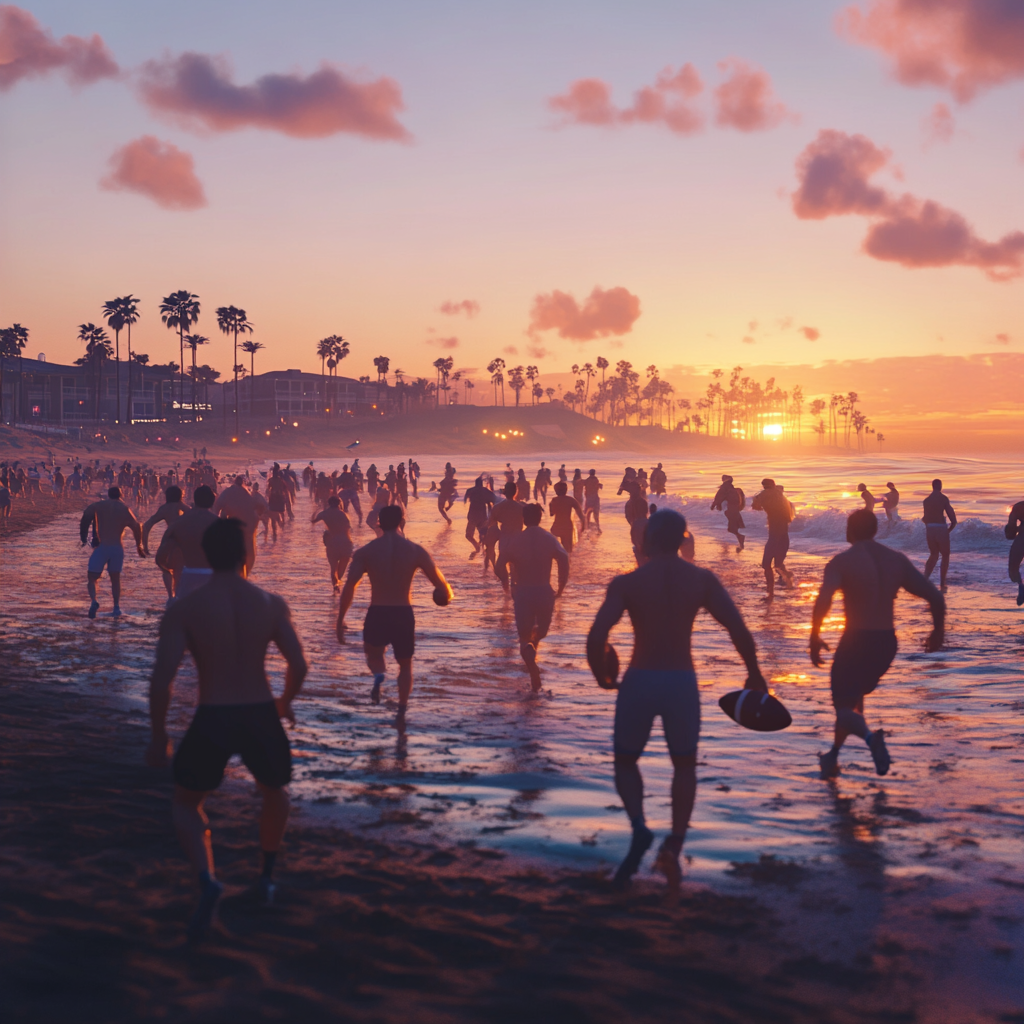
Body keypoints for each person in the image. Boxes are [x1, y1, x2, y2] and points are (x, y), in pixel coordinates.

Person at [587, 510, 768, 893]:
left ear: (648, 539)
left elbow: (597, 634)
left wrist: (603, 676)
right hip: (681, 682)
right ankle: (675, 844)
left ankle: (638, 826)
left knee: (625, 761)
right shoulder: (701, 580)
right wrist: (753, 672)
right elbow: (737, 627)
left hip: (639, 679)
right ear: (684, 538)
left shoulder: (627, 583)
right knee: (683, 766)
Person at [146, 518, 308, 940]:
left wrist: (159, 734)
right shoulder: (271, 603)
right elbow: (299, 664)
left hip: (213, 714)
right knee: (275, 793)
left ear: (206, 554)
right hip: (259, 712)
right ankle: (267, 877)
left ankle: (208, 879)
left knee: (185, 803)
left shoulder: (185, 609)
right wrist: (285, 703)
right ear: (243, 555)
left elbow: (162, 679)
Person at [811, 508, 945, 780]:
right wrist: (938, 631)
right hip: (886, 644)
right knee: (853, 701)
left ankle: (872, 740)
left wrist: (814, 634)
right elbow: (934, 596)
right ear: (876, 530)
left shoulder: (841, 562)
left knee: (844, 707)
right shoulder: (896, 560)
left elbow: (824, 599)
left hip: (856, 641)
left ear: (849, 531)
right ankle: (833, 756)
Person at [336, 504, 452, 715]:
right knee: (405, 665)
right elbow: (441, 587)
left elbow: (349, 586)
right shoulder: (416, 551)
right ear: (402, 522)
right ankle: (402, 708)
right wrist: (444, 596)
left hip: (377, 612)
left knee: (374, 656)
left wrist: (340, 620)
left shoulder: (366, 552)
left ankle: (379, 676)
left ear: (379, 522)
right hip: (403, 613)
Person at [497, 503, 569, 692]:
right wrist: (561, 585)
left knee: (523, 636)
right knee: (541, 632)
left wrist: (509, 583)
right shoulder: (549, 538)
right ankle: (533, 648)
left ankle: (532, 665)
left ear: (524, 519)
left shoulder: (517, 540)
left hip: (523, 592)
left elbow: (499, 564)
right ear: (539, 518)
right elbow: (564, 559)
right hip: (544, 591)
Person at [79, 487, 146, 618]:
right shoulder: (124, 509)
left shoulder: (98, 505)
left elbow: (86, 517)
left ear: (108, 495)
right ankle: (116, 608)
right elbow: (137, 527)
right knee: (115, 579)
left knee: (92, 578)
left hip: (101, 548)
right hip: (117, 548)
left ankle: (93, 601)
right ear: (120, 495)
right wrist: (139, 545)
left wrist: (84, 536)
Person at [154, 485, 219, 600]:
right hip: (213, 577)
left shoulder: (179, 523)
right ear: (212, 501)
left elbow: (160, 556)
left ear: (195, 500)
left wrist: (166, 568)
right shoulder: (219, 524)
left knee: (187, 614)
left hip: (189, 576)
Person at [143, 485, 189, 600]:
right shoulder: (184, 507)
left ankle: (170, 596)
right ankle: (177, 596)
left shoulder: (165, 508)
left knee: (165, 568)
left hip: (169, 541)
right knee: (178, 570)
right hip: (183, 543)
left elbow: (147, 525)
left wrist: (145, 545)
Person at [751, 479, 794, 599]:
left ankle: (770, 593)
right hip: (784, 538)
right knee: (778, 564)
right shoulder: (783, 499)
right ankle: (789, 582)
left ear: (764, 487)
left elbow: (755, 506)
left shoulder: (765, 494)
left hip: (774, 538)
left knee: (766, 565)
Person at [213, 476, 263, 576]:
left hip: (235, 525)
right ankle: (245, 574)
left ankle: (238, 574)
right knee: (249, 550)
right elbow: (262, 506)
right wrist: (258, 517)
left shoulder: (228, 492)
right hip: (248, 525)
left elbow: (217, 506)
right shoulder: (247, 493)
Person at [312, 496, 354, 591]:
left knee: (333, 568)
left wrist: (316, 511)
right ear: (339, 503)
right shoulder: (343, 514)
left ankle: (335, 586)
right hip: (345, 542)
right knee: (342, 567)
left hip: (332, 542)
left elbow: (313, 521)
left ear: (329, 503)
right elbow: (348, 528)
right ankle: (338, 581)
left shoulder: (324, 513)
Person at [922, 479, 957, 589]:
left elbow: (925, 519)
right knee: (945, 555)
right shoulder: (943, 499)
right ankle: (942, 583)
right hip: (941, 528)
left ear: (932, 486)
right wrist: (948, 530)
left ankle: (925, 579)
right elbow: (953, 519)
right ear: (940, 486)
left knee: (933, 554)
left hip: (930, 529)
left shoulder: (926, 500)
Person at [486, 481, 525, 573]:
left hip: (505, 538)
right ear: (516, 492)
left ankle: (506, 585)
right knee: (515, 565)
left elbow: (491, 522)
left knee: (501, 566)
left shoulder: (498, 507)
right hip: (518, 537)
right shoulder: (522, 507)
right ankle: (513, 584)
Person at [463, 475, 496, 557]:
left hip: (473, 515)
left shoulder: (470, 490)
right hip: (482, 516)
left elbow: (464, 499)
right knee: (483, 536)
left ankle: (477, 547)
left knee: (468, 535)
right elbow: (494, 500)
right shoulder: (485, 491)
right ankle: (483, 551)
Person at [710, 475, 745, 551]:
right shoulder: (733, 489)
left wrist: (713, 505)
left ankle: (740, 541)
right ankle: (739, 544)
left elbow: (718, 497)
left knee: (732, 528)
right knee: (733, 527)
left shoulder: (725, 487)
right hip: (735, 510)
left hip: (730, 510)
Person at [548, 480, 585, 554]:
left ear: (557, 491)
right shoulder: (571, 500)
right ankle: (568, 563)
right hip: (567, 526)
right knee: (568, 549)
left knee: (554, 547)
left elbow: (552, 513)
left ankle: (558, 561)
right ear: (566, 490)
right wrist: (583, 524)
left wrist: (550, 506)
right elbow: (580, 513)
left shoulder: (554, 500)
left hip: (557, 525)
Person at [1005, 499, 1024, 607]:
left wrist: (1015, 530)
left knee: (1013, 568)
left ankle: (1020, 584)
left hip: (1022, 538)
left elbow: (1010, 534)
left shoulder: (1019, 507)